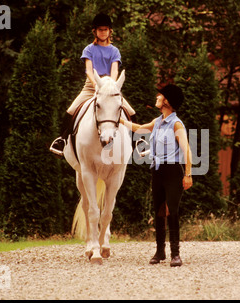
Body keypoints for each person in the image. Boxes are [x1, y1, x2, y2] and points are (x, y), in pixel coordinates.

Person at [120, 84, 193, 267]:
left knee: (172, 211)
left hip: (173, 171)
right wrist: (119, 120)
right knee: (159, 211)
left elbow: (187, 151)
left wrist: (188, 175)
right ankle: (160, 252)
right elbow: (139, 128)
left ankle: (175, 254)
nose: (157, 97)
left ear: (166, 101)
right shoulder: (158, 121)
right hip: (157, 170)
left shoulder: (176, 124)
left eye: (160, 95)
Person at [50, 13, 135, 157]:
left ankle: (136, 142)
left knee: (131, 112)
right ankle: (62, 140)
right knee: (70, 111)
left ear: (110, 31)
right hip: (91, 86)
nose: (103, 32)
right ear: (95, 31)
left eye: (105, 29)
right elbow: (89, 70)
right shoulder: (89, 49)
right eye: (100, 30)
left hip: (109, 87)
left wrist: (110, 85)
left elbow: (114, 70)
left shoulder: (114, 51)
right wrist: (97, 84)